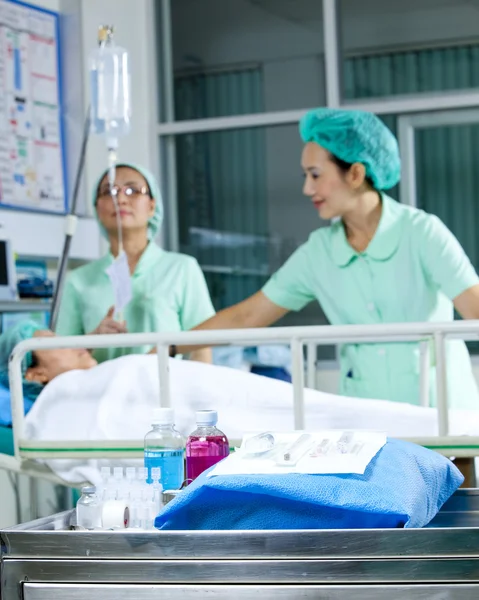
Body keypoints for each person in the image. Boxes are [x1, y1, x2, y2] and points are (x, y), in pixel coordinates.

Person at [170, 107, 479, 409]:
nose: (307, 188)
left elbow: (475, 308)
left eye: (315, 175)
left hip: (442, 413)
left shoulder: (421, 232)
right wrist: (166, 348)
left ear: (356, 173)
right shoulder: (319, 253)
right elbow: (247, 316)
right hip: (371, 418)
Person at [56, 163, 215, 364]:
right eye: (109, 192)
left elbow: (201, 347)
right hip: (100, 393)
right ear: (97, 208)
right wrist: (93, 339)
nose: (120, 199)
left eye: (132, 190)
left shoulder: (181, 269)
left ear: (151, 206)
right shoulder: (78, 280)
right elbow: (57, 355)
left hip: (165, 392)